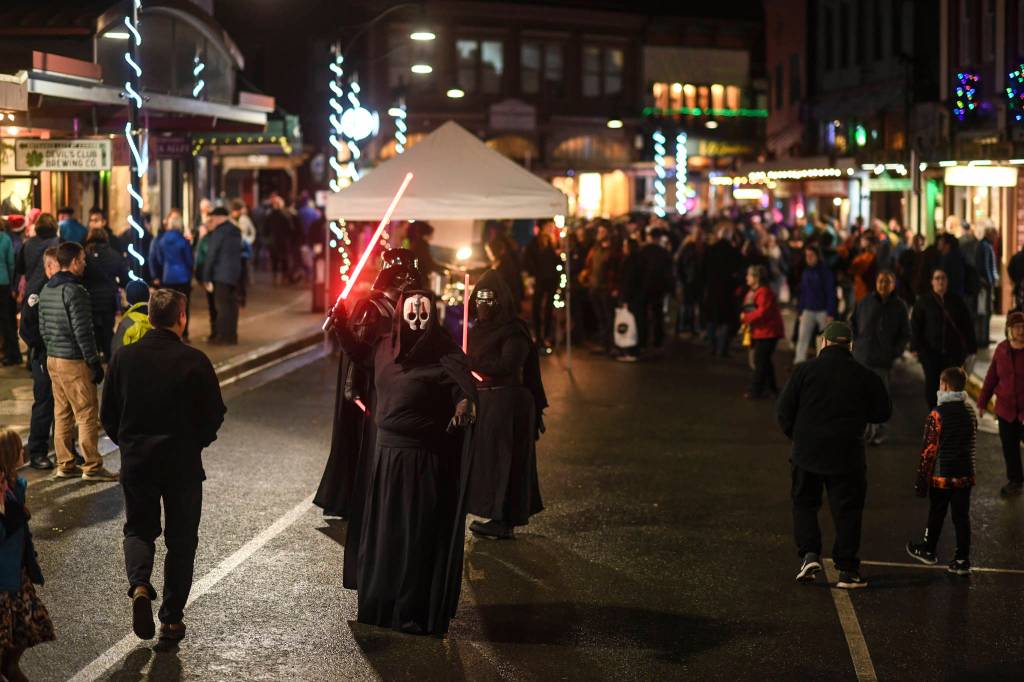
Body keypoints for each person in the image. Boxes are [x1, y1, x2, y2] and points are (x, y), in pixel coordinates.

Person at [331, 288, 477, 635]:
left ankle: (412, 611)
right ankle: (380, 605)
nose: (417, 320)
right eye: (411, 313)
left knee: (416, 537)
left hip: (423, 461)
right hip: (386, 458)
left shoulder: (444, 352)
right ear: (400, 314)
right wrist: (340, 321)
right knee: (386, 535)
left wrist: (464, 408)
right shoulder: (384, 346)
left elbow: (464, 389)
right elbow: (356, 351)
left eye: (423, 314)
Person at [101, 289, 225, 642]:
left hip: (138, 460)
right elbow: (214, 414)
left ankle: (140, 585)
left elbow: (107, 413)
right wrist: (196, 441)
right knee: (181, 540)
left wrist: (127, 442)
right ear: (181, 318)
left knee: (139, 530)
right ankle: (171, 618)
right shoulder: (194, 360)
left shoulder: (124, 359)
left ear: (151, 316)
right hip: (182, 463)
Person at [315, 249, 424, 589]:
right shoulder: (372, 306)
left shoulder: (407, 307)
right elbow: (359, 355)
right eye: (403, 275)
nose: (408, 280)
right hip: (370, 392)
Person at [777, 321, 891, 589]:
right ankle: (848, 569)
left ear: (824, 343)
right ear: (850, 345)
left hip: (807, 452)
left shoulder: (804, 371)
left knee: (805, 503)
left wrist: (799, 437)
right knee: (848, 510)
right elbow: (882, 412)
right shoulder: (865, 376)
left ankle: (809, 555)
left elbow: (784, 411)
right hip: (846, 454)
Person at [466, 270, 547, 539]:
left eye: (488, 300)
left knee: (507, 462)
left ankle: (504, 520)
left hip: (510, 403)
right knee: (493, 461)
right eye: (479, 300)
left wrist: (472, 365)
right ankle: (498, 516)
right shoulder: (479, 329)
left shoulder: (514, 330)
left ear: (499, 302)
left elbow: (507, 365)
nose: (482, 305)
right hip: (490, 402)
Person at [38, 242, 118, 482]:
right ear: (73, 262)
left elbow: (42, 327)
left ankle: (65, 463)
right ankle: (92, 465)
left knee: (61, 412)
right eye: (82, 260)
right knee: (85, 412)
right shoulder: (76, 291)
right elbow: (83, 331)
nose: (84, 264)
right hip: (74, 360)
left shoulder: (46, 289)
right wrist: (94, 362)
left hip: (53, 358)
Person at [906, 367, 976, 576]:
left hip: (942, 476)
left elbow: (929, 450)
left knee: (937, 512)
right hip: (964, 474)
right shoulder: (969, 412)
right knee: (961, 517)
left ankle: (928, 549)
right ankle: (962, 558)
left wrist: (921, 482)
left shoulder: (937, 414)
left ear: (945, 386)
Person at [0, 429, 56, 680]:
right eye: (19, 448)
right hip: (4, 581)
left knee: (22, 635)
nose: (24, 451)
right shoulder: (5, 493)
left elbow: (23, 534)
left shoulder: (17, 486)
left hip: (18, 575)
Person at [851, 271, 910, 446]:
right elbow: (852, 322)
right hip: (862, 357)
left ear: (893, 285)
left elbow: (905, 334)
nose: (883, 285)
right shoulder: (865, 302)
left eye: (887, 282)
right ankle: (863, 430)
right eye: (880, 281)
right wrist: (855, 342)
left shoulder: (899, 306)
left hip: (882, 361)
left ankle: (879, 431)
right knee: (861, 396)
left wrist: (895, 351)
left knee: (881, 397)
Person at [911, 269, 977, 410]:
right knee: (932, 387)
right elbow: (916, 325)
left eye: (943, 278)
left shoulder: (956, 301)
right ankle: (935, 415)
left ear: (947, 282)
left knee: (952, 387)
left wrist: (972, 347)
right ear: (932, 281)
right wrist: (915, 347)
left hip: (952, 354)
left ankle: (949, 416)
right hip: (930, 353)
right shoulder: (923, 301)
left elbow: (967, 325)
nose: (940, 281)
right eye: (937, 278)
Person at [19, 248, 60, 471]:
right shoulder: (37, 290)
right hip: (43, 355)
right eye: (58, 266)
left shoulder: (58, 286)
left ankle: (66, 450)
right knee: (44, 402)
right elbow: (26, 328)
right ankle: (37, 451)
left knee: (63, 405)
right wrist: (42, 347)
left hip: (58, 353)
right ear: (48, 266)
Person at [977, 311, 1024, 497]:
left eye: (1023, 326)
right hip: (1005, 409)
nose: (1021, 330)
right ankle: (1015, 480)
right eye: (1017, 327)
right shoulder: (1001, 350)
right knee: (1009, 447)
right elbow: (991, 378)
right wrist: (982, 402)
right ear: (1009, 330)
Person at [83, 227, 130, 363]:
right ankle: (109, 358)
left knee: (92, 329)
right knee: (107, 329)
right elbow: (124, 277)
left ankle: (95, 357)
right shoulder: (114, 255)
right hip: (108, 298)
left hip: (89, 298)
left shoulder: (84, 255)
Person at [741, 265, 784, 399]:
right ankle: (772, 389)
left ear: (756, 278)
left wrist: (746, 318)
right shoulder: (754, 291)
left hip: (768, 332)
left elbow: (762, 312)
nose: (746, 278)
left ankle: (756, 390)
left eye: (749, 275)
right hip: (761, 331)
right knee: (764, 361)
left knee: (759, 361)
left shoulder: (763, 292)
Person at [149, 211, 194, 340]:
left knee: (168, 305)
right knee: (184, 305)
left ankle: (169, 333)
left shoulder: (161, 240)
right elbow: (189, 260)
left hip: (167, 276)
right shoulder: (182, 240)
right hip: (183, 277)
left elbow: (158, 258)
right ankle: (184, 333)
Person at [201, 207, 242, 345]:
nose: (212, 221)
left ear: (219, 218)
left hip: (220, 274)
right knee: (232, 306)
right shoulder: (236, 230)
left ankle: (223, 337)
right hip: (234, 274)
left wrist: (206, 277)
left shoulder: (219, 232)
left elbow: (211, 254)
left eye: (213, 218)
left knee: (222, 307)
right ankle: (232, 335)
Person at [703, 224, 744, 358]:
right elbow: (740, 271)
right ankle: (722, 348)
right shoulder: (733, 252)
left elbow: (703, 269)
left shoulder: (710, 250)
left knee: (712, 320)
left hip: (712, 289)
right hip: (727, 291)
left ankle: (711, 346)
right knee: (725, 321)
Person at [794, 246, 837, 363]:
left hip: (823, 311)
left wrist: (830, 312)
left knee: (823, 340)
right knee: (802, 338)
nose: (808, 258)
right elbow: (803, 292)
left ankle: (823, 363)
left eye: (811, 255)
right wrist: (800, 310)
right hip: (808, 309)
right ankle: (799, 362)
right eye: (807, 256)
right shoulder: (806, 271)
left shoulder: (825, 271)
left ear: (817, 256)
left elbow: (830, 292)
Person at [523, 223, 561, 352]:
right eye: (549, 226)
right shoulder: (535, 243)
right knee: (536, 308)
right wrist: (533, 274)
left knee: (549, 309)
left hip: (551, 279)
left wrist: (558, 256)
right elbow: (528, 260)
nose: (551, 229)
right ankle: (538, 337)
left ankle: (546, 336)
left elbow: (557, 261)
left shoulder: (553, 242)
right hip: (540, 279)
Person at [581, 224, 618, 354]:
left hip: (605, 288)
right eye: (599, 231)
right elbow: (589, 265)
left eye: (602, 231)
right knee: (601, 317)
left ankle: (611, 344)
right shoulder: (595, 249)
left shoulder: (613, 251)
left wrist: (613, 286)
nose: (600, 233)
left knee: (608, 317)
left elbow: (614, 270)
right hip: (594, 287)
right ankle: (604, 343)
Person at [637, 228, 674, 352]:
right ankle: (657, 340)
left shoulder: (643, 251)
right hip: (658, 288)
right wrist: (670, 288)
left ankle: (643, 339)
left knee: (643, 314)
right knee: (657, 314)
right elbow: (669, 273)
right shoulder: (663, 253)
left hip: (643, 287)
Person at [111, 281, 153, 357]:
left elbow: (117, 351)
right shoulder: (158, 318)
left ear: (128, 298)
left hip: (132, 366)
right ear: (148, 296)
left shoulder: (127, 322)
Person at [975, 227, 998, 347]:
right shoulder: (984, 246)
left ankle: (984, 337)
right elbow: (985, 266)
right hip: (985, 284)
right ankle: (983, 338)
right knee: (984, 312)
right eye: (995, 235)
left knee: (986, 311)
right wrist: (989, 281)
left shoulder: (985, 246)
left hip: (986, 283)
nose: (996, 238)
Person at [0, 220, 18, 366]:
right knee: (7, 319)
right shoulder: (6, 239)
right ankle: (11, 353)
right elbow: (11, 263)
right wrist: (13, 285)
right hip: (4, 282)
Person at [265, 195, 294, 286]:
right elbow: (290, 229)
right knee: (284, 260)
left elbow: (265, 230)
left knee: (274, 260)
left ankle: (275, 278)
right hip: (283, 242)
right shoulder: (285, 215)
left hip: (273, 241)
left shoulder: (269, 216)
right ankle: (283, 278)